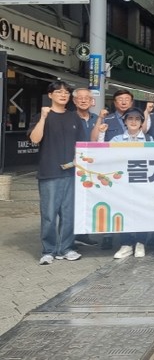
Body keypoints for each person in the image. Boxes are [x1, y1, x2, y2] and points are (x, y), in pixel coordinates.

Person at [29, 81, 87, 265]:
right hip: (49, 172)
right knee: (49, 214)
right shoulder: (42, 116)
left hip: (71, 173)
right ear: (50, 95)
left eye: (66, 92)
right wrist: (43, 117)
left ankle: (66, 248)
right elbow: (34, 139)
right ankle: (48, 250)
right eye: (59, 92)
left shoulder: (74, 117)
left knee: (68, 214)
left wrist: (79, 159)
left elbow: (82, 144)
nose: (63, 95)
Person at [90, 88, 135, 250]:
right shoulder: (107, 119)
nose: (123, 102)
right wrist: (100, 119)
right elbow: (94, 140)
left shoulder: (136, 118)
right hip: (111, 168)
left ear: (131, 102)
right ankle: (107, 235)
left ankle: (128, 234)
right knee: (109, 201)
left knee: (128, 202)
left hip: (132, 168)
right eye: (120, 99)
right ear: (114, 103)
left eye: (126, 99)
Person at [109, 108, 153, 259]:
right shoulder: (116, 140)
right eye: (130, 119)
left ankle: (141, 242)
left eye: (137, 119)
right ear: (125, 121)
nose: (133, 122)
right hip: (122, 183)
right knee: (123, 211)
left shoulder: (149, 140)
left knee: (142, 212)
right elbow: (105, 156)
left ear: (142, 123)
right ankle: (126, 244)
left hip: (143, 182)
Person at [71, 87, 100, 247]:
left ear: (92, 101)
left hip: (93, 167)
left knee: (87, 201)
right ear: (74, 101)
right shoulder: (69, 118)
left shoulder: (98, 119)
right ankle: (68, 237)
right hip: (73, 166)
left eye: (87, 98)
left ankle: (83, 234)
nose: (83, 100)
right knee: (71, 202)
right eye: (80, 98)